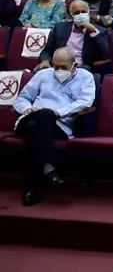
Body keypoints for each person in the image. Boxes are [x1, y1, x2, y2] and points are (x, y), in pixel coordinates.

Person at [12, 48, 96, 206]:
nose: (58, 70)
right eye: (55, 66)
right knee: (39, 119)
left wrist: (59, 112)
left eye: (63, 67)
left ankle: (33, 187)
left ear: (74, 64)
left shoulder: (86, 77)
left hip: (59, 125)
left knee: (37, 126)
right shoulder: (42, 75)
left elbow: (85, 102)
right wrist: (28, 109)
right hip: (30, 117)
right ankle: (49, 167)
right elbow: (22, 98)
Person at [36, 0, 109, 70]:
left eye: (83, 12)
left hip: (81, 69)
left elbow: (105, 56)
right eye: (76, 13)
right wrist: (45, 61)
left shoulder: (99, 31)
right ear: (71, 16)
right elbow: (46, 51)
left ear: (89, 14)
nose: (81, 15)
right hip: (58, 67)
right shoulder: (59, 28)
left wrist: (94, 31)